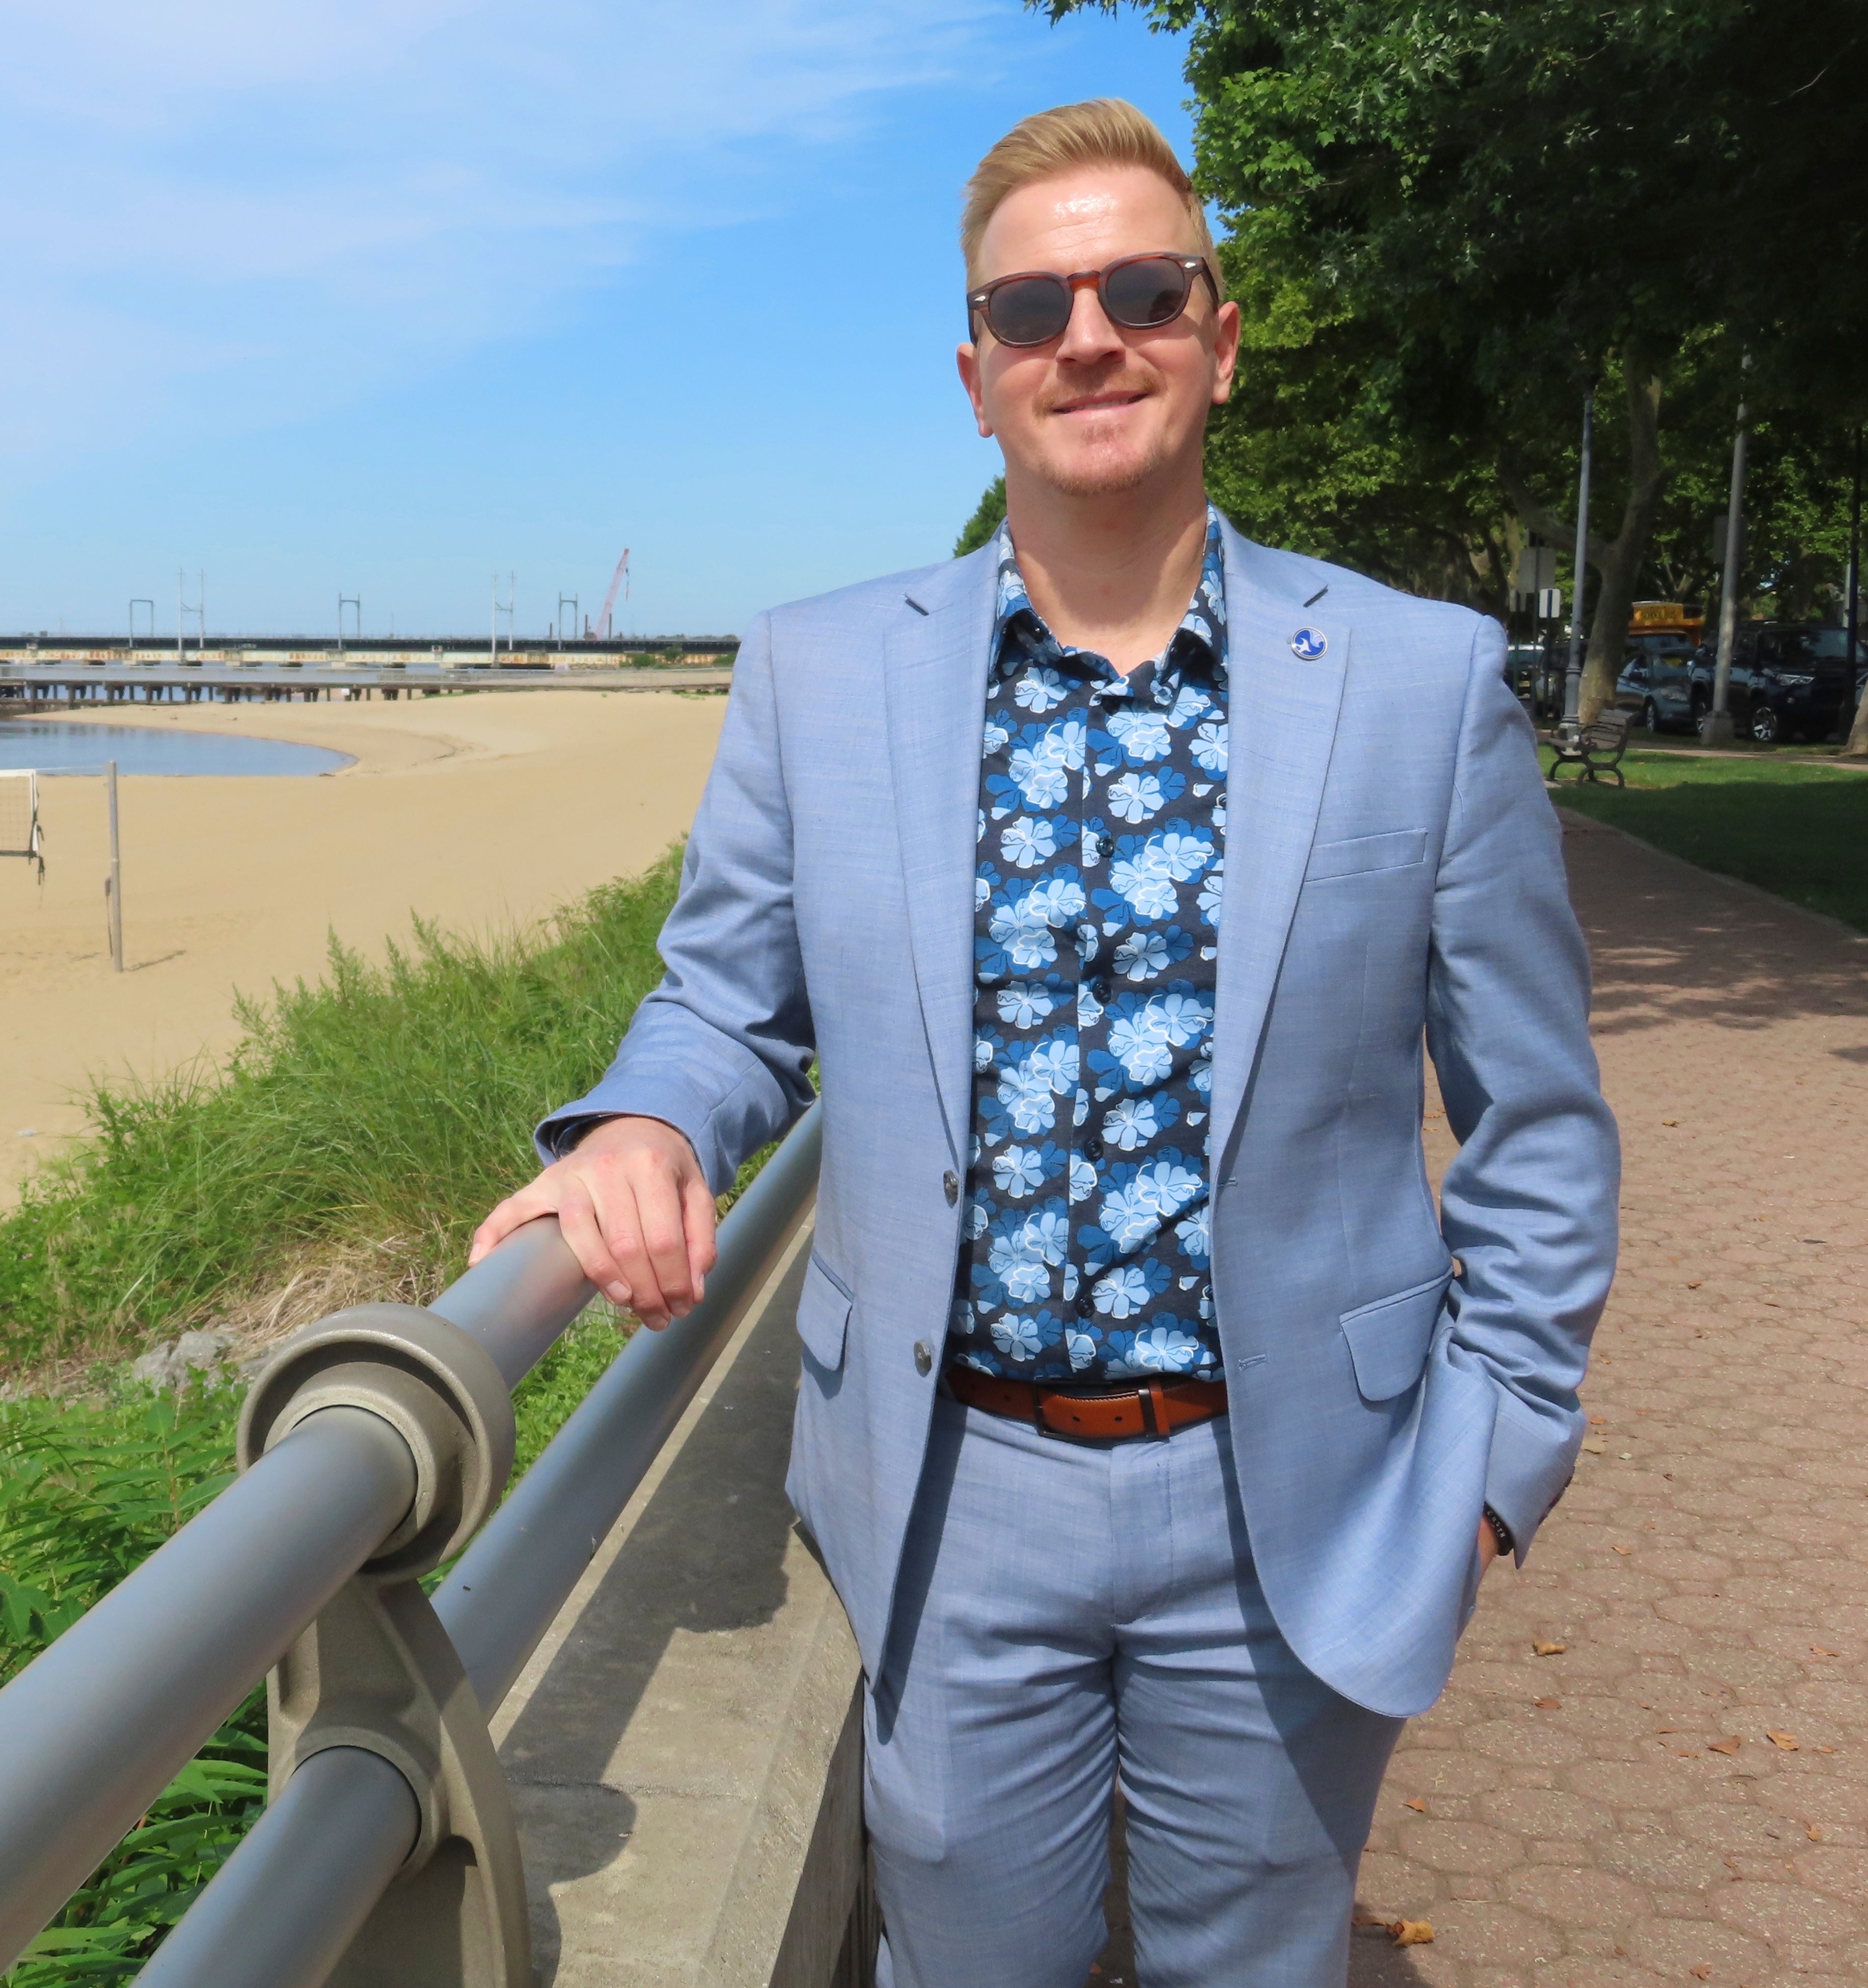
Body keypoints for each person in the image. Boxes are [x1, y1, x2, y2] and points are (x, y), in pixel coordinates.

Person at [470, 98, 1618, 1987]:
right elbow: (723, 1003)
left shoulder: (1420, 682)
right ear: (977, 375)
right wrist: (639, 1126)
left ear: (1220, 339)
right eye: (1033, 310)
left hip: (1299, 1485)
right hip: (948, 1490)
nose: (1089, 336)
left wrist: (1498, 1459)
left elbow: (1543, 1125)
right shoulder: (819, 674)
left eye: (1143, 289)